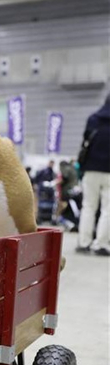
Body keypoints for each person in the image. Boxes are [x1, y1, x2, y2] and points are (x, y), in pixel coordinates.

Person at [77, 93, 110, 256]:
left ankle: (84, 242)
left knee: (88, 206)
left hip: (91, 169)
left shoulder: (93, 119)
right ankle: (101, 245)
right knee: (108, 209)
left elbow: (85, 141)